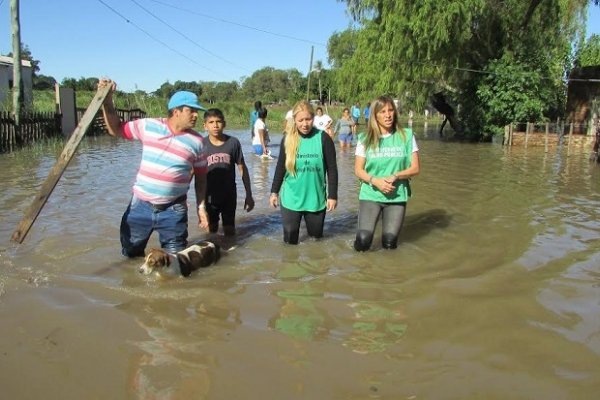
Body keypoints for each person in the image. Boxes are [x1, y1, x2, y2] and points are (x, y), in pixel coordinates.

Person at [98, 78, 209, 257]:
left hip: (174, 210)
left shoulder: (198, 142)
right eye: (192, 110)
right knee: (131, 254)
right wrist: (107, 101)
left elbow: (202, 178)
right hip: (140, 205)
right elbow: (116, 129)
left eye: (197, 111)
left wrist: (201, 207)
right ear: (176, 111)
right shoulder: (149, 126)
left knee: (176, 260)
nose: (196, 115)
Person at [353, 95, 420, 251]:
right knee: (364, 240)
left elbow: (415, 168)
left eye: (391, 110)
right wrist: (375, 181)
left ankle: (388, 274)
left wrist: (396, 175)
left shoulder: (407, 136)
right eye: (382, 112)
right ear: (375, 115)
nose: (388, 115)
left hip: (396, 195)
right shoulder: (365, 138)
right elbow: (358, 170)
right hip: (371, 194)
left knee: (390, 243)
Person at [269, 100, 338, 245]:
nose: (305, 124)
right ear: (294, 120)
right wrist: (274, 192)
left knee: (315, 241)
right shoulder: (287, 139)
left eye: (308, 119)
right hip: (291, 198)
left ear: (314, 118)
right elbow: (280, 167)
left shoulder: (324, 138)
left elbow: (332, 169)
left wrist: (332, 195)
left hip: (316, 199)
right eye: (300, 120)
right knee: (290, 241)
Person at [203, 108, 255, 236]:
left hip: (229, 195)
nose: (215, 125)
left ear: (224, 124)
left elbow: (242, 168)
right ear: (205, 126)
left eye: (218, 121)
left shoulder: (233, 143)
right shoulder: (201, 145)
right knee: (211, 232)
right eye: (211, 122)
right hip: (209, 197)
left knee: (230, 232)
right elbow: (194, 173)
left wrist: (249, 194)